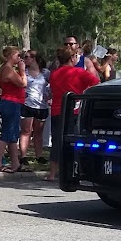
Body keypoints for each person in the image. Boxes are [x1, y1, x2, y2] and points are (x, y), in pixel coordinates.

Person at [45, 44, 101, 181]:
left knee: (58, 141)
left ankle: (52, 173)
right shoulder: (79, 72)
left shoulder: (54, 74)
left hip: (57, 111)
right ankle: (73, 171)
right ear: (72, 58)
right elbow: (96, 82)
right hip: (74, 111)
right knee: (74, 141)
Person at [0, 46, 29, 173]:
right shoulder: (8, 70)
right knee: (7, 134)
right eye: (17, 55)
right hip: (10, 103)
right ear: (10, 56)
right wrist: (22, 71)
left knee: (13, 134)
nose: (19, 58)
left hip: (14, 103)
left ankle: (15, 163)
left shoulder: (8, 69)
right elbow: (23, 83)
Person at [19, 51, 49, 166]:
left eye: (26, 57)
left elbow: (52, 85)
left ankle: (39, 156)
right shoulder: (24, 72)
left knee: (38, 132)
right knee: (26, 131)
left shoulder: (46, 73)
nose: (24, 59)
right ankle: (23, 156)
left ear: (34, 58)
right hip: (27, 104)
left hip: (41, 105)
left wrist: (50, 94)